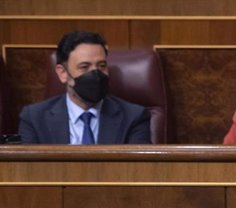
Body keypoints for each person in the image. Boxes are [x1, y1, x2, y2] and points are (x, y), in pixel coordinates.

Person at [18, 31, 150, 145]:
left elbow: (136, 171)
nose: (96, 74)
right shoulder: (34, 118)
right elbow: (29, 171)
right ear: (63, 73)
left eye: (102, 65)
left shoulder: (134, 117)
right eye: (84, 67)